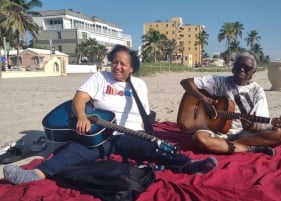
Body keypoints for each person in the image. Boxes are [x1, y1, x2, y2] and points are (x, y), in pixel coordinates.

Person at [3, 44, 217, 185]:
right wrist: (82, 117)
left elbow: (144, 114)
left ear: (132, 67)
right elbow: (79, 98)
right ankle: (35, 175)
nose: (117, 66)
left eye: (123, 63)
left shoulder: (140, 85)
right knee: (74, 151)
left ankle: (189, 165)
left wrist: (145, 130)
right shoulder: (99, 78)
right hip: (99, 132)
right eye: (115, 61)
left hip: (128, 133)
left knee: (155, 148)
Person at [180, 51, 281, 156]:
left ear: (254, 72)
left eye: (247, 68)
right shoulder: (218, 81)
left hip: (243, 133)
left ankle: (228, 145)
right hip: (215, 131)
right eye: (239, 66)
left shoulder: (257, 90)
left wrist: (254, 126)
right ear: (233, 68)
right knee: (199, 139)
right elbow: (186, 82)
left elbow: (260, 119)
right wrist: (203, 100)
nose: (242, 69)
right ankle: (249, 148)